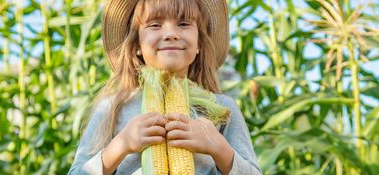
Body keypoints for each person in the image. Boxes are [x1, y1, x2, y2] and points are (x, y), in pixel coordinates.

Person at [68, 0, 262, 174]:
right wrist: (120, 145)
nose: (171, 34)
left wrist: (220, 148)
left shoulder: (223, 108)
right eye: (155, 25)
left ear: (199, 44)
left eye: (184, 24)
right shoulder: (112, 108)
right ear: (136, 45)